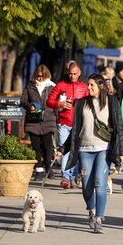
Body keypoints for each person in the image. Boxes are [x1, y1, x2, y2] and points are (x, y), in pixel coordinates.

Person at [65, 73, 123, 234]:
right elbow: (75, 131)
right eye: (88, 84)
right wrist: (61, 150)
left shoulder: (112, 102)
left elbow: (119, 128)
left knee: (100, 184)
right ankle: (91, 210)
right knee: (86, 186)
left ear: (100, 86)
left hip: (104, 150)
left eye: (92, 85)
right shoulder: (81, 104)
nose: (89, 87)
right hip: (85, 150)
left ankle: (99, 218)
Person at [47, 61, 88, 189]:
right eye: (70, 74)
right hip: (64, 123)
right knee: (65, 151)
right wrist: (60, 104)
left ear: (79, 73)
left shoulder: (84, 87)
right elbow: (49, 101)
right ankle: (65, 177)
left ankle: (73, 177)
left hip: (79, 124)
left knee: (76, 152)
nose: (72, 76)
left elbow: (90, 103)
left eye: (75, 74)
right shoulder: (61, 85)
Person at [21, 64, 57, 181]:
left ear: (46, 75)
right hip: (34, 121)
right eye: (38, 76)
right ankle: (39, 171)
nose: (40, 78)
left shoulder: (52, 87)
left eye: (42, 76)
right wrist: (30, 106)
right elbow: (23, 101)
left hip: (48, 120)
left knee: (48, 147)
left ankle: (48, 165)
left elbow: (57, 104)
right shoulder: (30, 86)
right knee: (35, 147)